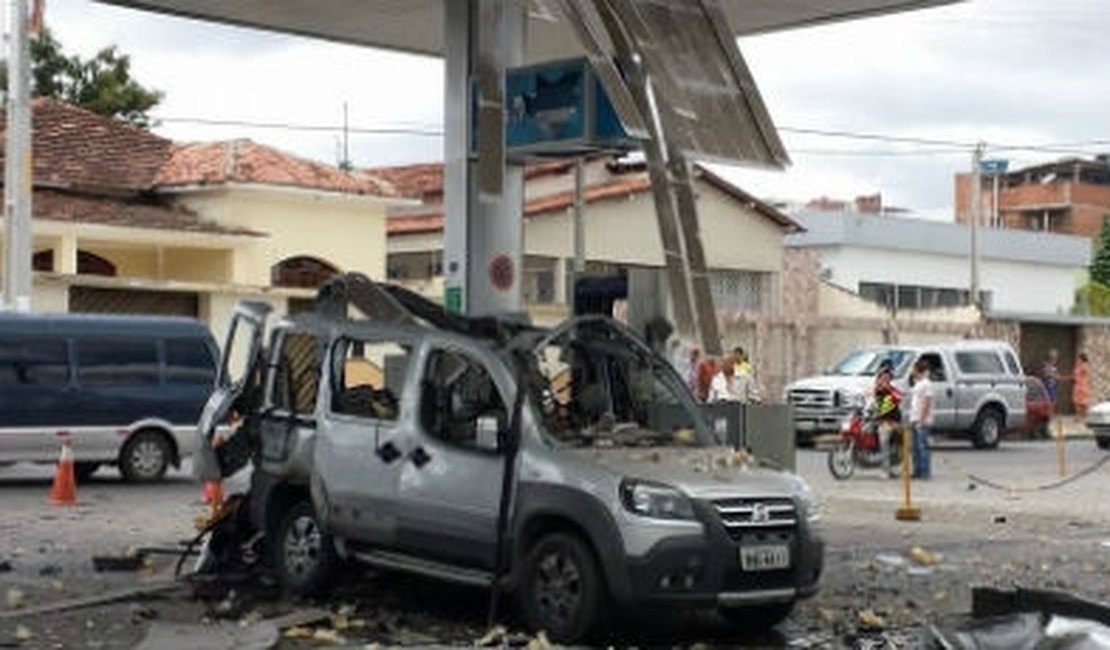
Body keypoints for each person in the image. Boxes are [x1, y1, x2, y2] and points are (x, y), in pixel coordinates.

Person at [870, 359, 903, 477]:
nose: (883, 379)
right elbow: (872, 402)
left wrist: (887, 388)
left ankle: (886, 470)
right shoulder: (877, 390)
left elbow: (899, 398)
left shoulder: (892, 389)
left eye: (886, 376)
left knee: (883, 441)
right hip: (880, 420)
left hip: (891, 422)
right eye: (881, 376)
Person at [908, 358, 934, 479]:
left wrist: (921, 420)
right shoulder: (918, 383)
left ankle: (925, 472)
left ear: (918, 370)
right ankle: (917, 470)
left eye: (913, 369)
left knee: (923, 446)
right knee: (915, 448)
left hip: (922, 421)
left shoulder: (926, 384)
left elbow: (927, 402)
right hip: (914, 419)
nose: (911, 371)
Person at [1072, 351, 1091, 419]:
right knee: (1077, 402)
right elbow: (1075, 375)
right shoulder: (1078, 366)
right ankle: (1079, 416)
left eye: (1079, 358)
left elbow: (1086, 372)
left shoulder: (1084, 365)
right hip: (1077, 385)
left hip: (1082, 385)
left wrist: (1083, 365)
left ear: (1082, 359)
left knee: (1083, 402)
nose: (1078, 360)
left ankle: (1082, 416)